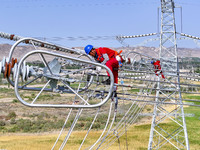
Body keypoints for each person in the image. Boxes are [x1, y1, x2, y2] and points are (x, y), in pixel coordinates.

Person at [84, 45, 122, 112]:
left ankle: (110, 78)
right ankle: (114, 92)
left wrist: (100, 66)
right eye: (89, 54)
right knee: (114, 80)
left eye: (90, 53)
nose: (91, 54)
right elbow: (98, 63)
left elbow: (106, 59)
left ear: (93, 50)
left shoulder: (101, 50)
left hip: (116, 59)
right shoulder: (96, 57)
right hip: (112, 64)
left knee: (108, 64)